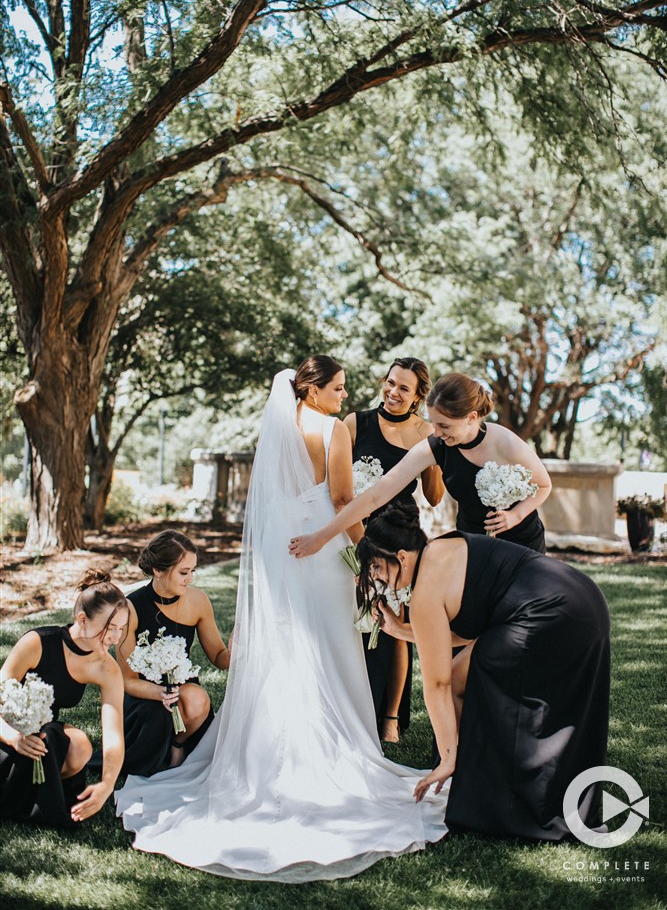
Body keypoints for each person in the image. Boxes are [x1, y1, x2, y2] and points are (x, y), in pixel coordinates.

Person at [116, 358, 448, 881]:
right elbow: (341, 499)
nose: (345, 396)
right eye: (337, 388)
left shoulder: (278, 426)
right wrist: (366, 553)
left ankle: (271, 755)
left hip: (280, 554)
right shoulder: (334, 429)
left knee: (288, 648)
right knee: (327, 647)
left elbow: (274, 503)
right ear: (313, 390)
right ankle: (328, 757)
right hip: (322, 549)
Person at [356, 506, 610, 840]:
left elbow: (437, 684)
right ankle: (473, 784)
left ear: (401, 557)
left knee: (467, 675)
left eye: (376, 566)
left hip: (553, 614)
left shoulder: (425, 591)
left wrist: (447, 758)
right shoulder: (441, 550)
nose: (377, 577)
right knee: (464, 670)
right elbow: (457, 635)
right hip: (582, 597)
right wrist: (400, 629)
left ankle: (478, 783)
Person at [289, 371, 552, 560]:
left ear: (471, 418)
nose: (436, 432)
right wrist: (320, 538)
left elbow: (544, 484)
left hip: (523, 543)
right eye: (433, 423)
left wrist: (515, 515)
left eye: (444, 425)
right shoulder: (436, 446)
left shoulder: (505, 441)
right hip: (473, 544)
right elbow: (376, 494)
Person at [345, 356, 444, 743]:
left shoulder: (424, 432)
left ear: (419, 396)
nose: (393, 392)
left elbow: (435, 497)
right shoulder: (356, 423)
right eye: (390, 382)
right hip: (355, 535)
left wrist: (435, 452)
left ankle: (390, 718)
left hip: (400, 541)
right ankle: (353, 705)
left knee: (395, 625)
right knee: (353, 621)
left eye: (404, 387)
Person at [0, 572, 127, 827]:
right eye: (110, 628)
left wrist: (107, 785)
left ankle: (27, 794)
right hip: (5, 730)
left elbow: (113, 734)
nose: (116, 637)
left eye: (121, 629)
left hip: (43, 740)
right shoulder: (38, 642)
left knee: (78, 745)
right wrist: (13, 737)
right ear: (82, 619)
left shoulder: (107, 668)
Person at [116, 530, 230, 776]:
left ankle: (178, 745)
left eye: (193, 571)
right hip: (143, 695)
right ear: (158, 569)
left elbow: (220, 657)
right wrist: (161, 692)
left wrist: (238, 649)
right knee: (159, 711)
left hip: (183, 692)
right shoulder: (131, 608)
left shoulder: (198, 601)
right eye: (183, 572)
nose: (190, 579)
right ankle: (154, 751)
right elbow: (127, 680)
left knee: (197, 699)